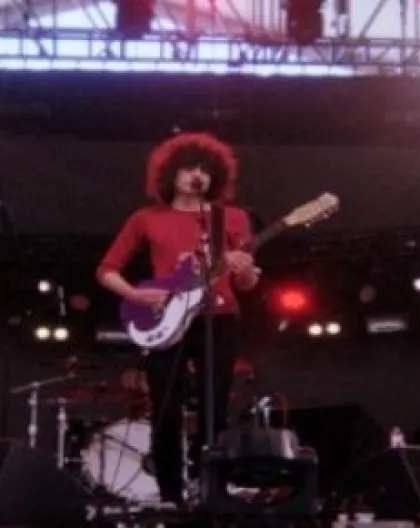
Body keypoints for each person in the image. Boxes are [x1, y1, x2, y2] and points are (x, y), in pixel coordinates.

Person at [96, 132, 260, 507]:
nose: (196, 175)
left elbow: (246, 284)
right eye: (188, 168)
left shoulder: (232, 218)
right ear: (170, 174)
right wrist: (135, 294)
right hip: (165, 321)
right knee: (165, 406)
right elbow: (107, 269)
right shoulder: (146, 218)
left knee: (214, 407)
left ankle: (210, 488)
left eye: (203, 169)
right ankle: (170, 494)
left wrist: (246, 270)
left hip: (217, 318)